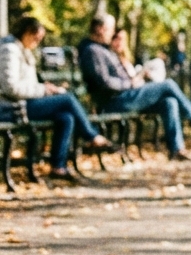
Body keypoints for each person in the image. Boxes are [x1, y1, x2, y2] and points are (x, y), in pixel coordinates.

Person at [80, 14, 191, 162]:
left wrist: (135, 79)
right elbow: (104, 82)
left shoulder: (102, 49)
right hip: (115, 101)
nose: (112, 33)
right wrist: (130, 84)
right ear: (99, 29)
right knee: (168, 85)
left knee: (169, 102)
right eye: (110, 29)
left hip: (125, 96)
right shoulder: (92, 51)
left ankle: (177, 149)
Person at [0, 17, 113, 181]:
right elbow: (10, 88)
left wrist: (48, 88)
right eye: (36, 37)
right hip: (11, 108)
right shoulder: (9, 50)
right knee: (67, 99)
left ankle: (58, 167)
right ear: (26, 32)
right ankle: (92, 136)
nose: (38, 42)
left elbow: (25, 84)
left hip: (23, 104)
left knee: (65, 117)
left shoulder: (22, 50)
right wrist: (44, 90)